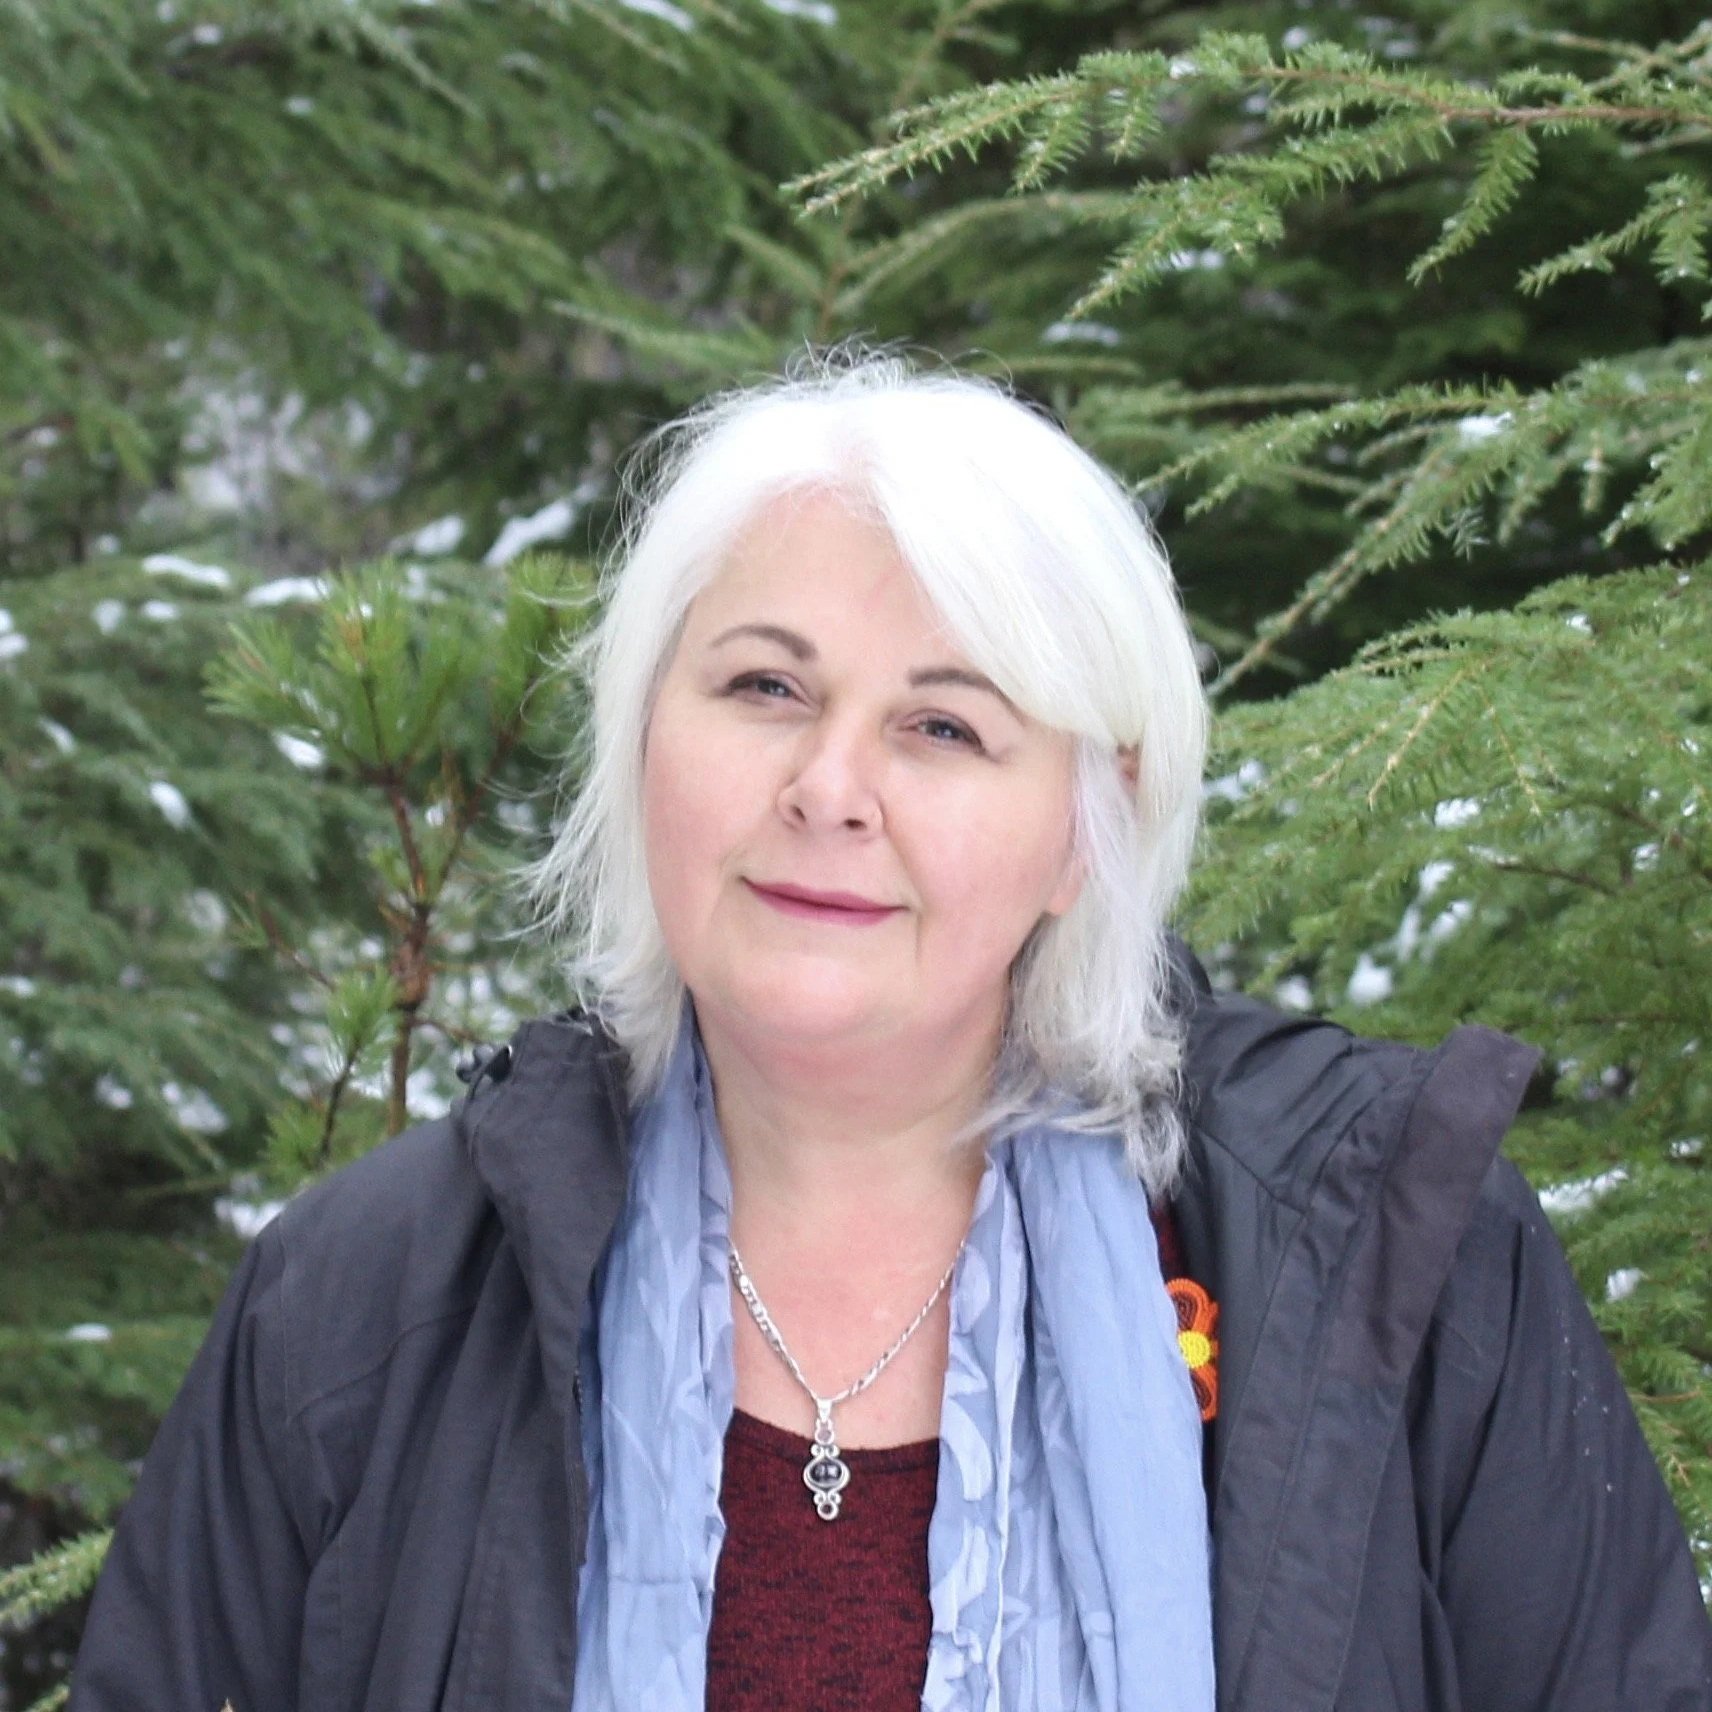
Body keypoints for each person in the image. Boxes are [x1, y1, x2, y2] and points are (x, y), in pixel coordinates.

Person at [70, 353, 1712, 1712]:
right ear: (642, 741)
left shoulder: (1390, 1272)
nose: (828, 789)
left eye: (942, 724)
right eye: (765, 689)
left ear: (1085, 829)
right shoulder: (361, 1304)